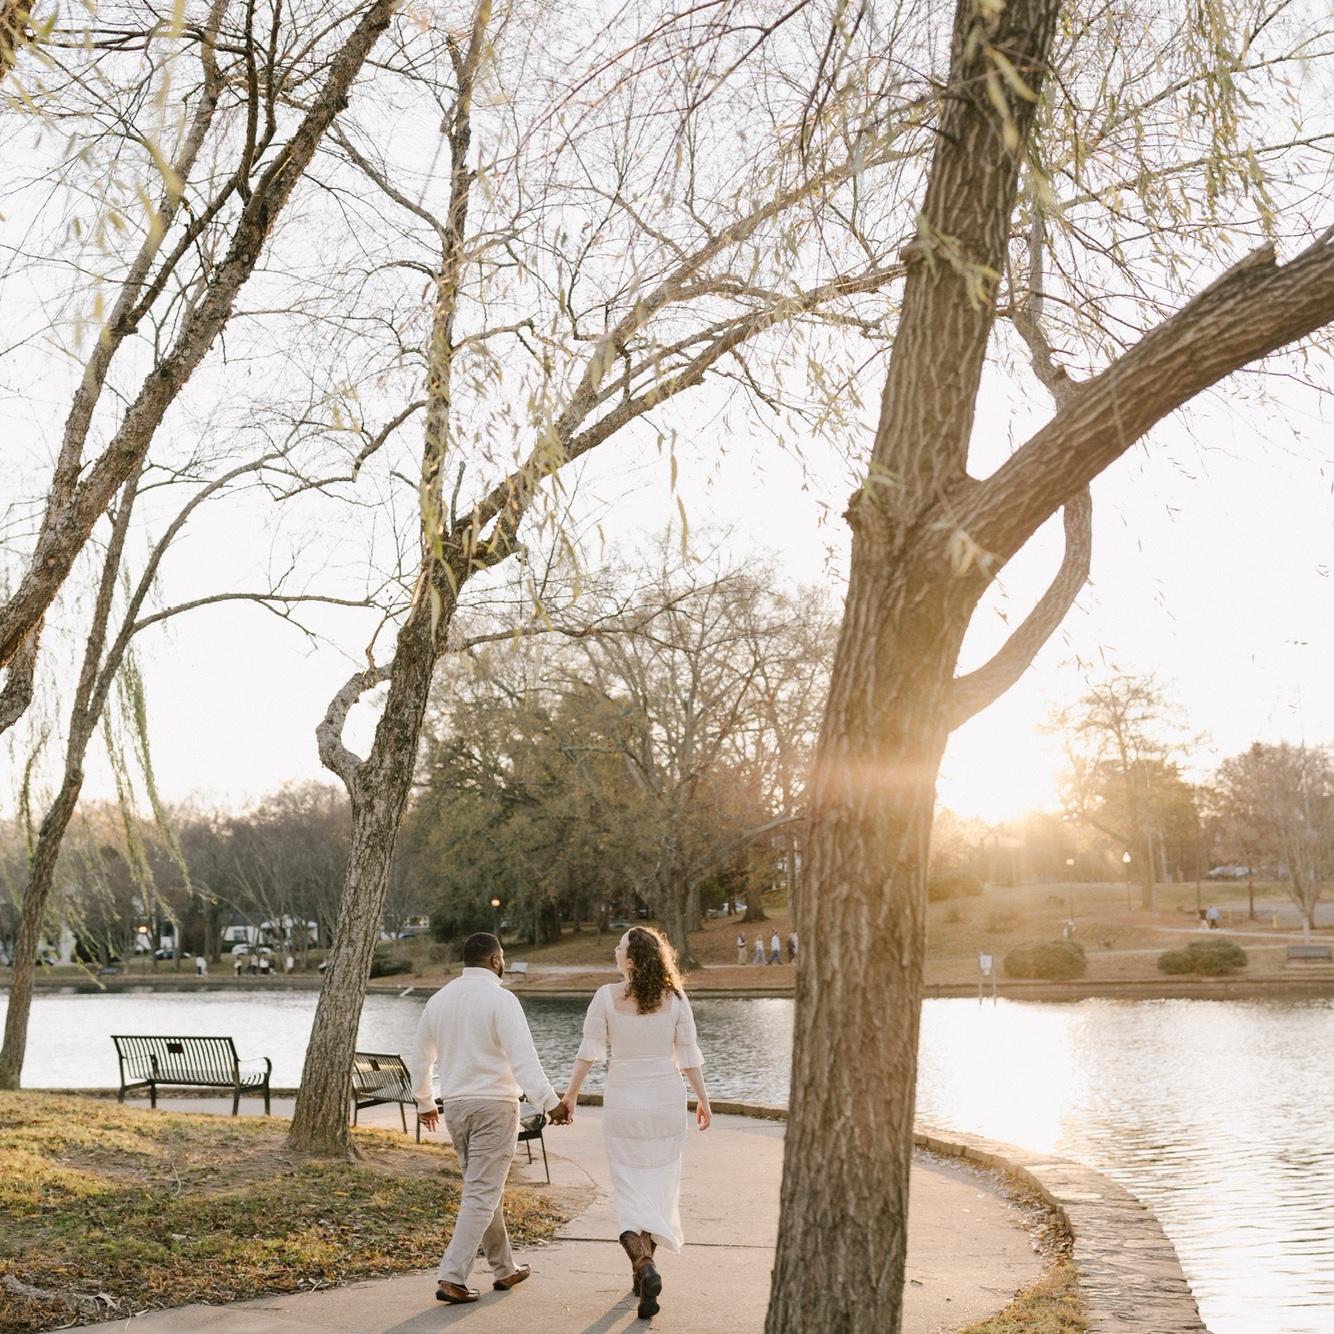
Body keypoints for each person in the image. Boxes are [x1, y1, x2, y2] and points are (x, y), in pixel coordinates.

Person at [558, 926, 710, 1320]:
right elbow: (688, 1055)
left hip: (624, 1101)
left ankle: (644, 1266)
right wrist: (703, 1100)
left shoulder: (605, 996)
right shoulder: (676, 998)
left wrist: (571, 1095)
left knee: (629, 1189)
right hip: (666, 1102)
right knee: (657, 1187)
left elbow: (588, 1051)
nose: (615, 950)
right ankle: (643, 1276)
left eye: (620, 946)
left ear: (631, 958)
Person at [410, 932, 570, 1305]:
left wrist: (424, 1101)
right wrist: (551, 1103)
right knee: (482, 1191)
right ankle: (452, 1277)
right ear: (496, 960)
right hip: (494, 1107)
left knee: (482, 1188)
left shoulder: (439, 1000)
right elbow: (524, 1059)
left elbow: (421, 1056)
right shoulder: (501, 999)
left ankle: (504, 1267)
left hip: (456, 1107)